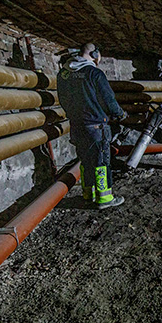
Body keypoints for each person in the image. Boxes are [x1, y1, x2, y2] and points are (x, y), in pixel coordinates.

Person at [57, 43, 127, 208]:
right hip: (96, 126)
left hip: (77, 125)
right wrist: (120, 114)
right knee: (101, 161)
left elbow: (63, 100)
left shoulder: (64, 74)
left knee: (85, 161)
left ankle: (87, 194)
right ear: (95, 54)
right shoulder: (94, 73)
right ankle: (105, 198)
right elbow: (108, 100)